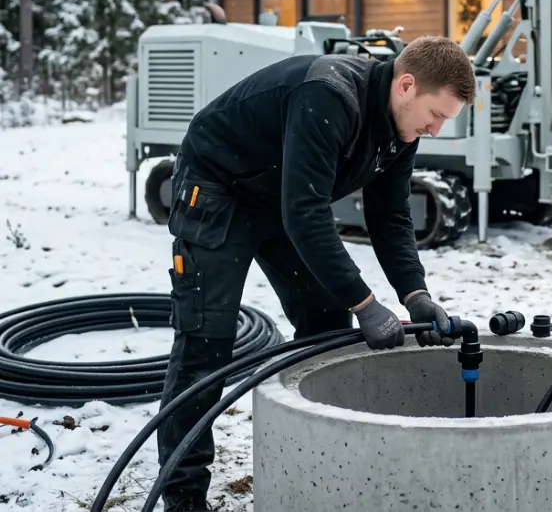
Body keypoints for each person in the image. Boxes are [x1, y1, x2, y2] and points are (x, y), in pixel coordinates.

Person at [156, 36, 476, 512]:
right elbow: (306, 215)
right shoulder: (327, 94)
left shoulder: (400, 129)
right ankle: (183, 494)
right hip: (218, 187)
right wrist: (366, 304)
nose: (436, 128)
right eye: (437, 115)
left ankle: (317, 459)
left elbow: (390, 219)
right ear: (407, 85)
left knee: (327, 320)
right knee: (206, 340)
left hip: (281, 196)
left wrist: (414, 294)